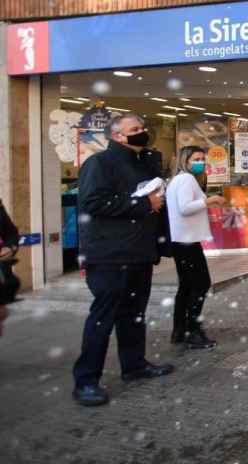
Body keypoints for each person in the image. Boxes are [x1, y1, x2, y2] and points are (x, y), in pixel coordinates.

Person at [72, 113, 173, 407]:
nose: (142, 132)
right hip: (108, 256)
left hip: (138, 253)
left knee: (133, 314)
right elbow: (93, 203)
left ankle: (134, 365)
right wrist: (144, 203)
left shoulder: (144, 163)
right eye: (135, 130)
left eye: (143, 128)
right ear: (116, 136)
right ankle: (86, 381)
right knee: (102, 319)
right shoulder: (99, 164)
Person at [166, 146, 225, 350]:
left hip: (181, 240)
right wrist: (211, 200)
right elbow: (185, 207)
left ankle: (180, 330)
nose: (200, 162)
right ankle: (193, 331)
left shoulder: (179, 180)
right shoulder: (186, 179)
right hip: (187, 241)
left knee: (186, 286)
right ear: (186, 161)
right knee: (200, 284)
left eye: (202, 158)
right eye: (196, 159)